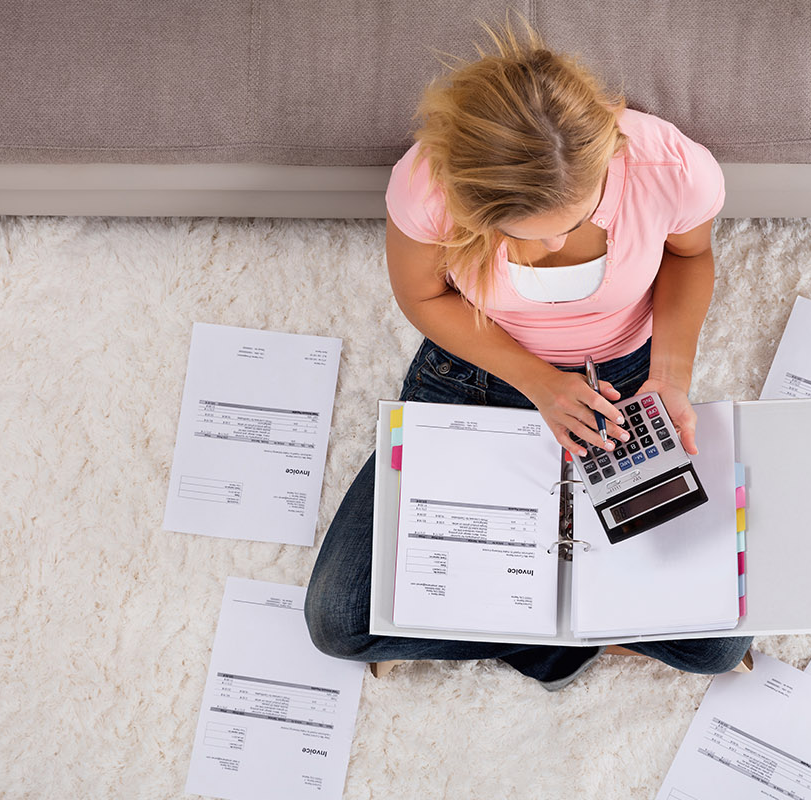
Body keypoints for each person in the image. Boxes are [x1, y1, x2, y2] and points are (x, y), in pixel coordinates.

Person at [304, 20, 752, 691]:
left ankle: (511, 624)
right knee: (336, 622)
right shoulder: (427, 186)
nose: (550, 250)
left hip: (622, 383)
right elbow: (425, 299)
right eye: (523, 237)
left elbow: (692, 256)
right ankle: (581, 634)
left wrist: (671, 373)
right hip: (476, 372)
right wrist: (539, 382)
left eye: (573, 224)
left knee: (722, 644)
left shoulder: (670, 169)